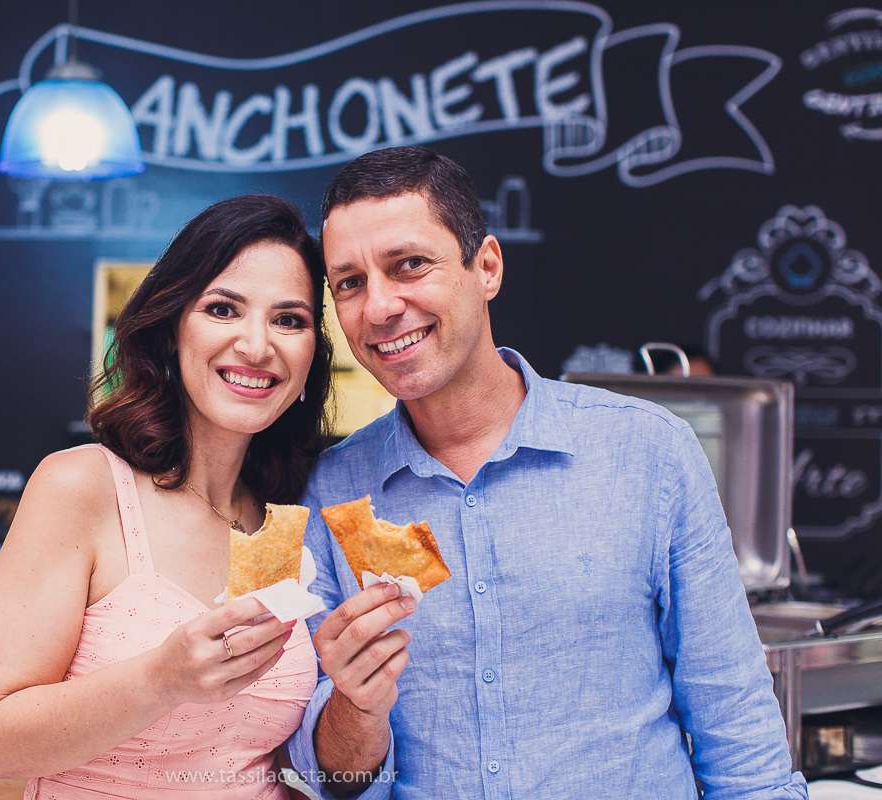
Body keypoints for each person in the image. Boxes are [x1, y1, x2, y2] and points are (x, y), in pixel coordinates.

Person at [286, 147, 808, 799]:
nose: (381, 306)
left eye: (409, 265)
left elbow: (738, 731)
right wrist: (355, 708)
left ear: (487, 267)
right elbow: (324, 778)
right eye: (350, 283)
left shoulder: (648, 452)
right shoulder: (330, 493)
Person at [0, 194, 334, 799]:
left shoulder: (289, 517)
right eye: (223, 308)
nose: (258, 345)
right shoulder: (82, 487)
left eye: (289, 319)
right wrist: (161, 678)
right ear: (171, 326)